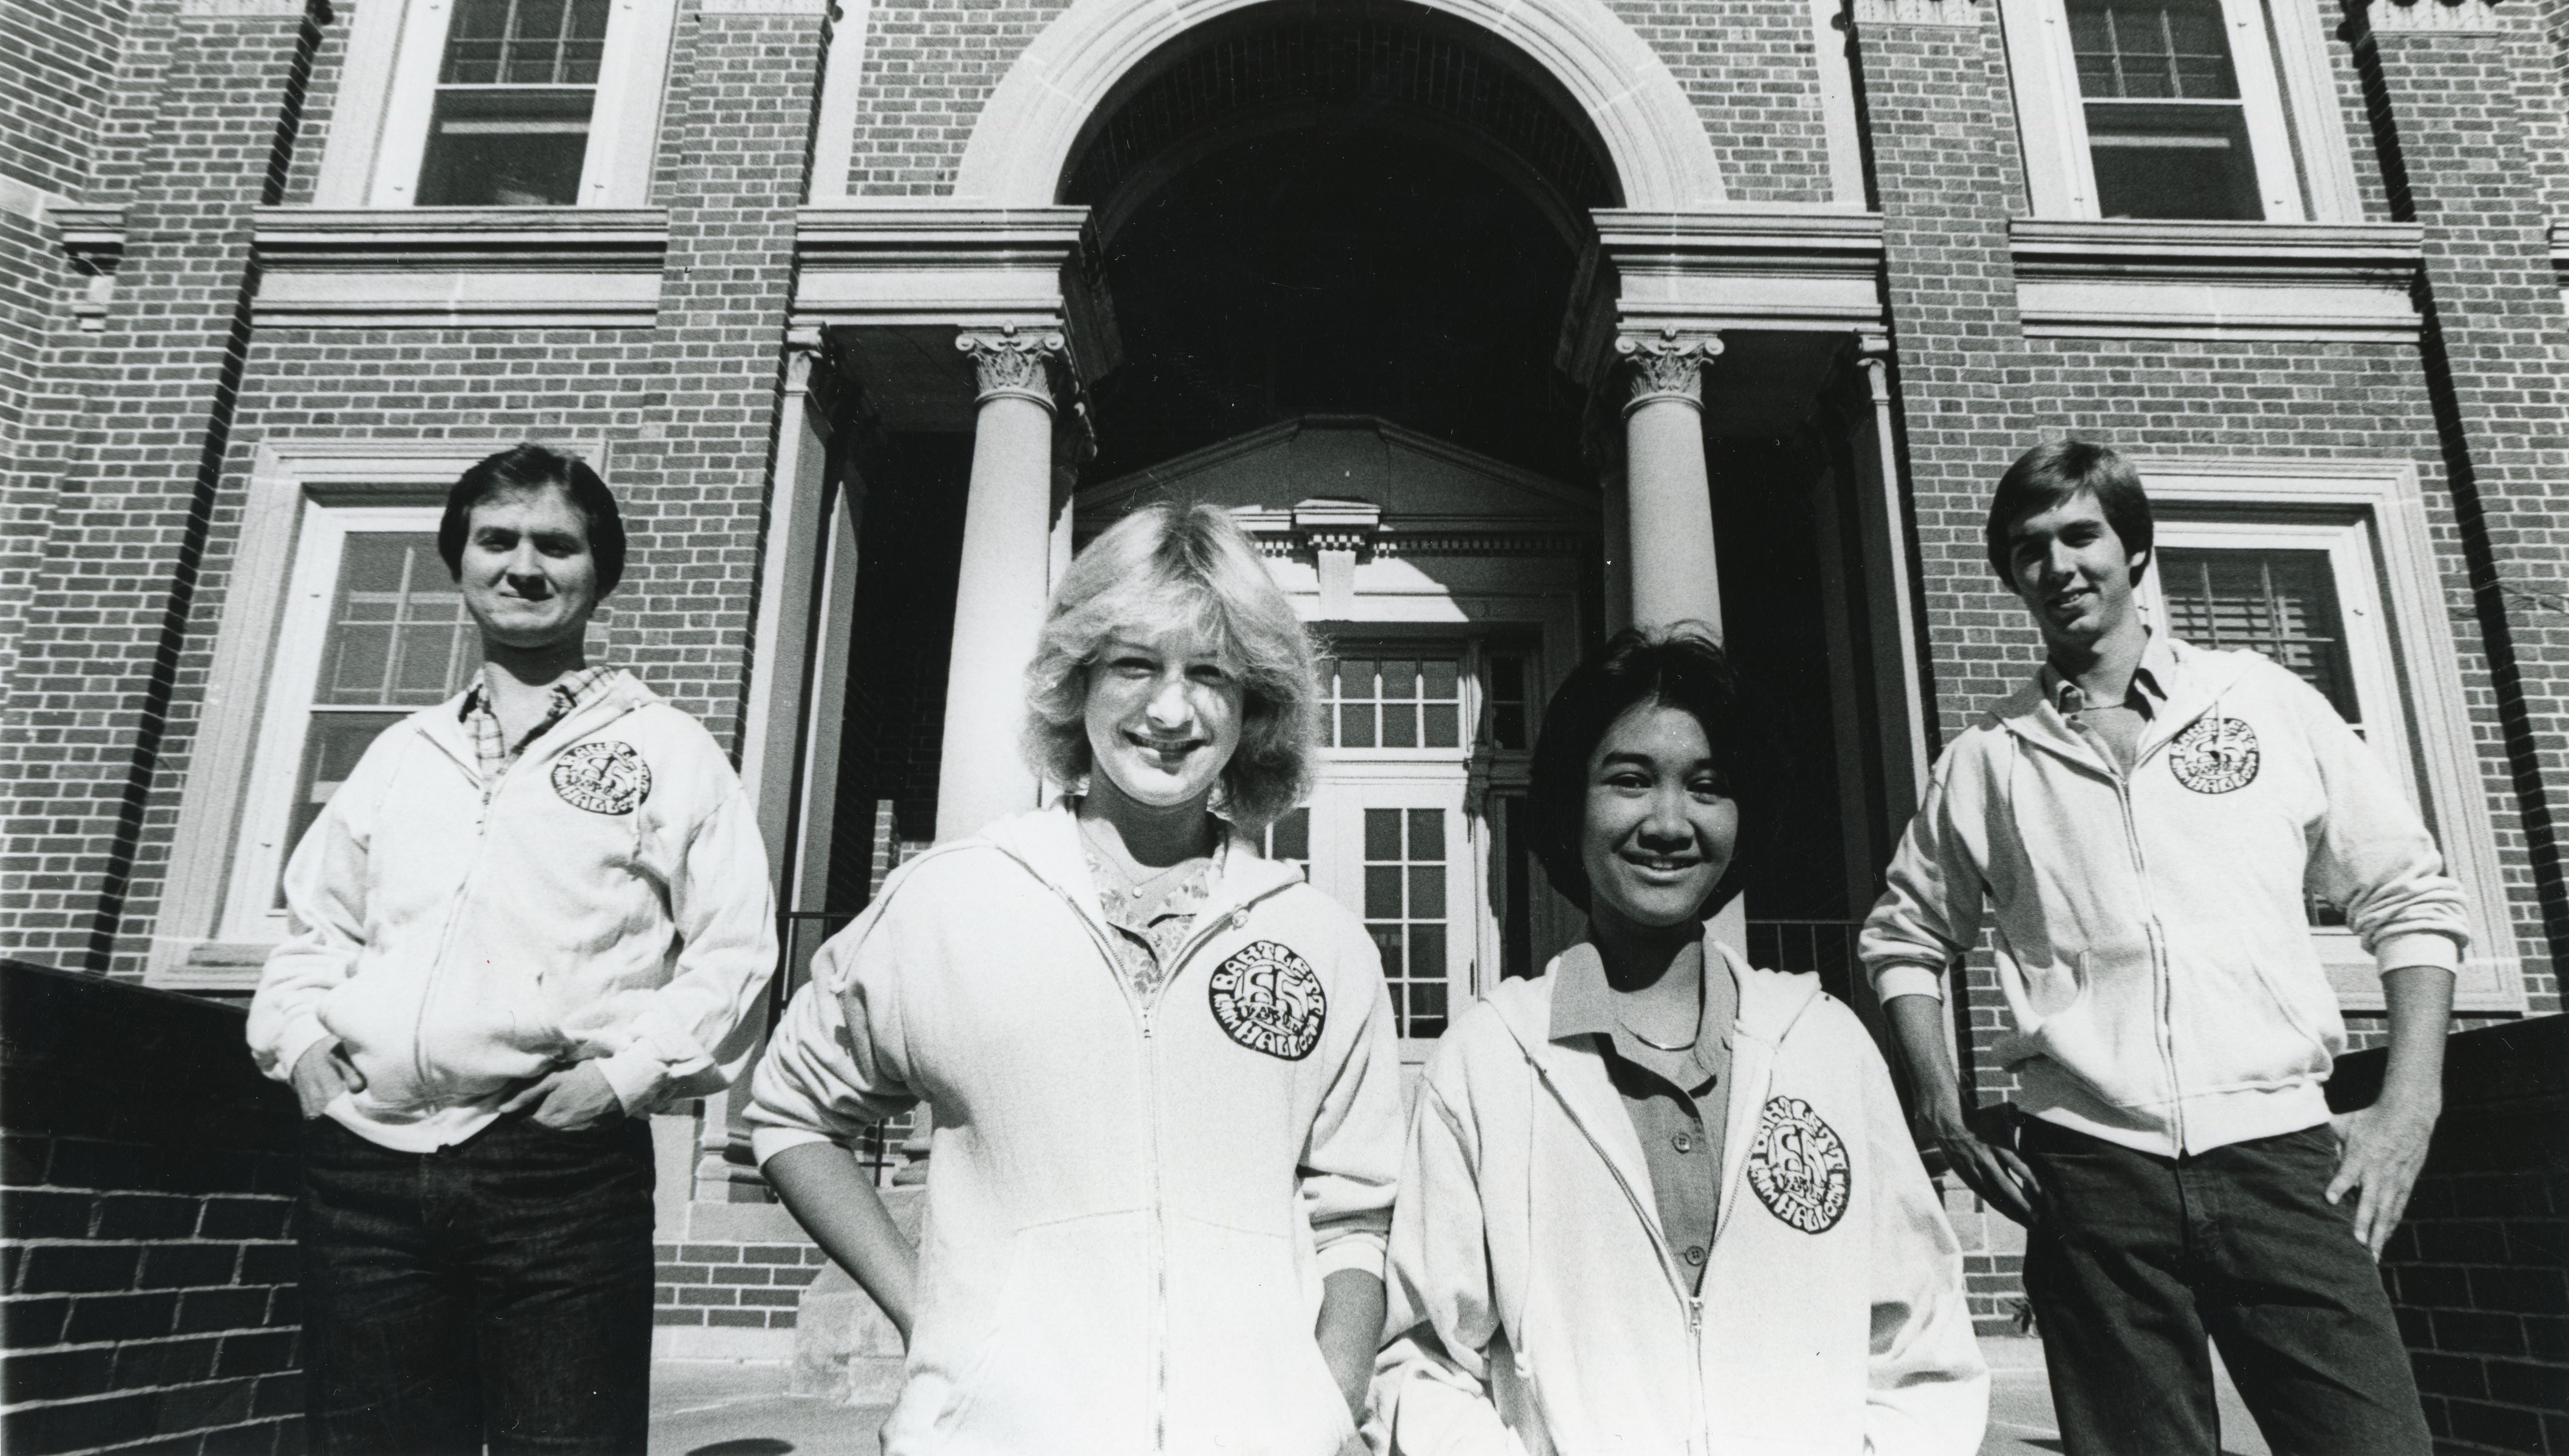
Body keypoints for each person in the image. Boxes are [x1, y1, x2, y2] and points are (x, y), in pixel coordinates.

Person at [746, 501, 1405, 1456]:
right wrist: (931, 1320)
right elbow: (792, 1111)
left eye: (1210, 673)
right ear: (1077, 678)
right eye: (1136, 664)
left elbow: (1356, 1213)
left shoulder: (1319, 939)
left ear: (1255, 704)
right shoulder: (954, 901)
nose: (1170, 712)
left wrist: (1328, 1399)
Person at [1861, 440, 2465, 1455]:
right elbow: (1904, 937)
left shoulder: (2261, 702)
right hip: (2094, 1175)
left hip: (2281, 1158)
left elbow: (2408, 896)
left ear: (2133, 548)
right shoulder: (1986, 759)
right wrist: (1940, 1103)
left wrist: (2410, 1101)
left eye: (2078, 534)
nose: (2056, 566)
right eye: (2027, 549)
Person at [246, 444, 779, 1455]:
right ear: (461, 563)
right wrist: (300, 1046)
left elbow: (735, 949)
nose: (524, 565)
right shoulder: (404, 754)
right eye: (497, 539)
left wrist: (625, 1078)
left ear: (598, 573)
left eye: (557, 545)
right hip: (366, 1167)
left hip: (558, 1171)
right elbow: (318, 931)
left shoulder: (664, 748)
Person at [1376, 627, 1987, 1455]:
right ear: (1570, 801)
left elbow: (1921, 1343)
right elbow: (1421, 1362)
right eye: (1630, 779)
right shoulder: (1489, 1059)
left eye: (1707, 786)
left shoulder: (1826, 1046)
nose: (1669, 822)